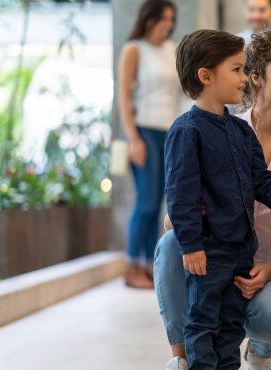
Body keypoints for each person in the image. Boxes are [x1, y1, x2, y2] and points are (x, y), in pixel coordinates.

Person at [155, 19, 271, 370]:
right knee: (175, 254)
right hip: (212, 255)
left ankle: (259, 352)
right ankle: (183, 360)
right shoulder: (195, 130)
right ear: (256, 76)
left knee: (241, 325)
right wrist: (189, 229)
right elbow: (178, 196)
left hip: (257, 267)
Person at [117, 0, 185, 289]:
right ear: (148, 19)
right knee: (145, 202)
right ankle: (131, 265)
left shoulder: (172, 49)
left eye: (171, 19)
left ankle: (147, 265)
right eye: (162, 18)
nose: (167, 24)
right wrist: (133, 138)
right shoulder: (133, 49)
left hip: (170, 132)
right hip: (144, 131)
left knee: (160, 204)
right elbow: (122, 97)